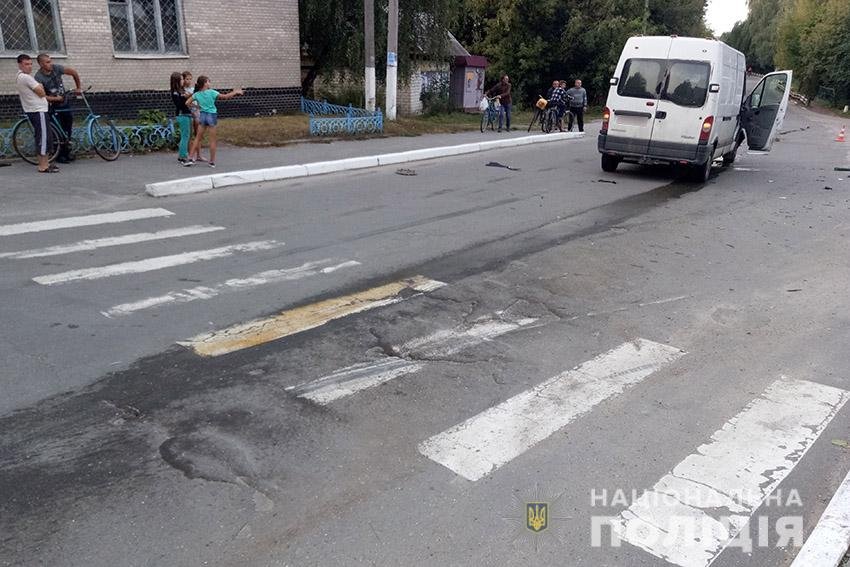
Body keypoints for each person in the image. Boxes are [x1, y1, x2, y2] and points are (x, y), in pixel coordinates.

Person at [186, 76, 244, 168]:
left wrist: (197, 107)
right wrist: (235, 92)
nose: (210, 83)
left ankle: (190, 159)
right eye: (208, 82)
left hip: (202, 115)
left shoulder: (196, 94)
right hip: (211, 115)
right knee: (212, 140)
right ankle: (212, 162)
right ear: (205, 83)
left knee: (197, 138)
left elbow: (187, 103)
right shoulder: (212, 92)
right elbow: (225, 97)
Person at [35, 53, 81, 164]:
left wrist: (78, 88)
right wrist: (55, 99)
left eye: (50, 61)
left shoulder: (56, 68)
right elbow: (41, 96)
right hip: (52, 106)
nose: (50, 64)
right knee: (58, 129)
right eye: (47, 62)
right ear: (41, 64)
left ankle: (67, 152)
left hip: (64, 103)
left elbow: (73, 72)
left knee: (67, 127)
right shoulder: (38, 77)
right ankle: (59, 155)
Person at [16, 54, 56, 173]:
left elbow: (39, 90)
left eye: (30, 64)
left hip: (36, 110)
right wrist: (40, 87)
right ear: (20, 65)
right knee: (43, 137)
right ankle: (43, 166)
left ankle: (46, 163)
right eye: (26, 64)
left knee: (45, 136)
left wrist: (40, 87)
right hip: (37, 110)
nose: (29, 66)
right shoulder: (25, 77)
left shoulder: (21, 76)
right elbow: (41, 93)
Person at [170, 72, 194, 166]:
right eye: (182, 79)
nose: (183, 81)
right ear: (177, 81)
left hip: (187, 113)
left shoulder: (181, 90)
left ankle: (183, 155)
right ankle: (183, 156)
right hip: (182, 114)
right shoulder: (175, 92)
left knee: (187, 135)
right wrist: (185, 97)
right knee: (185, 136)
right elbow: (179, 105)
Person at [182, 70, 204, 161]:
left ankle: (199, 155)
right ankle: (191, 154)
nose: (189, 81)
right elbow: (187, 100)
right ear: (183, 80)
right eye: (187, 79)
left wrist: (199, 105)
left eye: (190, 79)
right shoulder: (182, 90)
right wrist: (195, 93)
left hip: (197, 112)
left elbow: (198, 99)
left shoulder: (192, 89)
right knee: (190, 135)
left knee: (198, 134)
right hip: (189, 113)